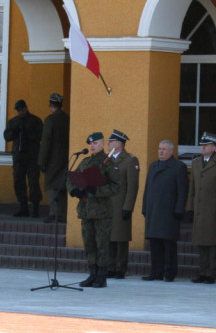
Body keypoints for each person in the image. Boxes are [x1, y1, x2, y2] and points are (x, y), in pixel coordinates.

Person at [66, 132, 119, 288]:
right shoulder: (85, 162)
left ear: (102, 144)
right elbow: (72, 178)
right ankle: (92, 273)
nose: (92, 146)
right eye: (90, 144)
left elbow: (116, 187)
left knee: (101, 243)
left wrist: (96, 190)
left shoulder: (108, 163)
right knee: (89, 243)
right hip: (86, 210)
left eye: (95, 143)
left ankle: (101, 276)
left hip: (102, 211)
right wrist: (74, 190)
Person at [141, 140, 188, 282]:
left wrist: (179, 208)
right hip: (153, 210)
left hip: (169, 211)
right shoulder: (153, 166)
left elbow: (182, 190)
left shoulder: (178, 167)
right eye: (159, 149)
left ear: (171, 151)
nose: (161, 151)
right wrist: (145, 208)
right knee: (154, 244)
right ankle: (156, 272)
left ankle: (169, 273)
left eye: (164, 149)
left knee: (168, 245)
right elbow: (147, 189)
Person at [188, 132, 216, 285]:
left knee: (213, 243)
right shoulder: (197, 162)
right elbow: (192, 187)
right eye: (202, 145)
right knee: (201, 242)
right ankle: (203, 271)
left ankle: (211, 272)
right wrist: (190, 207)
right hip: (200, 209)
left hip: (213, 209)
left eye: (205, 145)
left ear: (213, 147)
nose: (202, 147)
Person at [106, 129, 140, 279]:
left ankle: (120, 268)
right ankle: (110, 266)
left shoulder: (130, 160)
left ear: (119, 144)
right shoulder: (107, 159)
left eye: (111, 141)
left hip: (121, 204)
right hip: (107, 204)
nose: (108, 143)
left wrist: (128, 207)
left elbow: (132, 186)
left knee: (120, 237)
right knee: (108, 237)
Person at [2, 99, 43, 218]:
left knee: (33, 182)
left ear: (26, 107)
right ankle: (23, 207)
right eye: (19, 110)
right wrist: (15, 131)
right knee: (18, 182)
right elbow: (7, 136)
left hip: (32, 156)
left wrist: (29, 134)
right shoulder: (14, 122)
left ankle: (35, 208)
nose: (21, 112)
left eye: (22, 109)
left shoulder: (35, 121)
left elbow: (41, 136)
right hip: (19, 157)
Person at [38, 92, 70, 223]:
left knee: (51, 186)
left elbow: (46, 141)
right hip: (65, 157)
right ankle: (62, 214)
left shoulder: (50, 120)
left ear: (51, 105)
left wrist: (41, 161)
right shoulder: (67, 118)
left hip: (52, 159)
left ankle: (54, 213)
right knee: (63, 186)